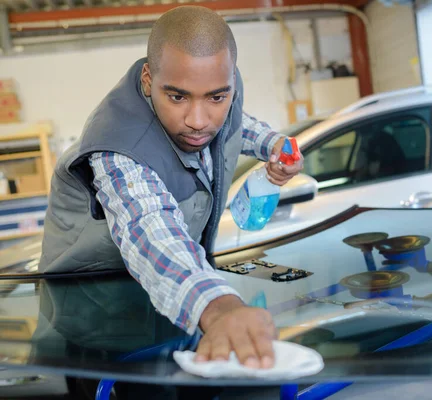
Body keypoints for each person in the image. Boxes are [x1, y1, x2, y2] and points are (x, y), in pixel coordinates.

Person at [39, 4, 304, 379]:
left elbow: (234, 123)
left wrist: (274, 144)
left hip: (169, 302)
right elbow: (151, 230)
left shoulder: (218, 90)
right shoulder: (118, 146)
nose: (198, 121)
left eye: (216, 97)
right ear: (148, 80)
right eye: (177, 97)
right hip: (95, 320)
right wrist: (219, 306)